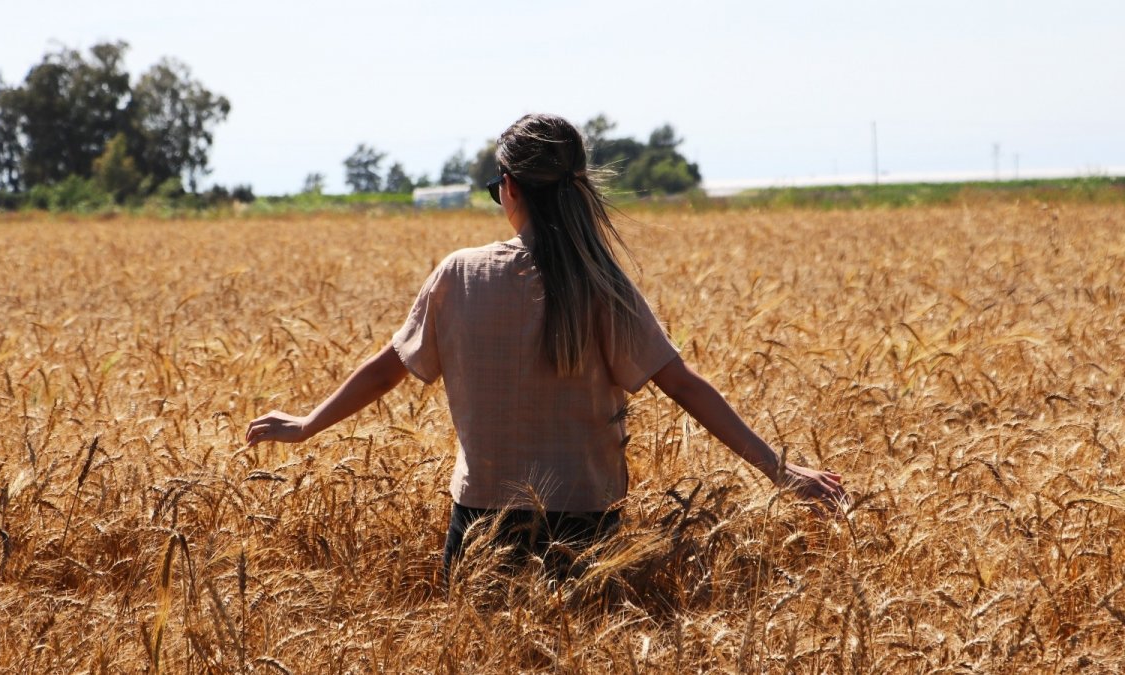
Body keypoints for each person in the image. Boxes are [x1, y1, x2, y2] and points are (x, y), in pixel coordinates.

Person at [245, 113, 846, 582]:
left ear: (509, 186)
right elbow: (683, 384)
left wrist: (307, 424)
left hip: (481, 519)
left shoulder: (459, 274)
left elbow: (387, 368)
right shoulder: (602, 283)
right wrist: (780, 470)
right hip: (585, 525)